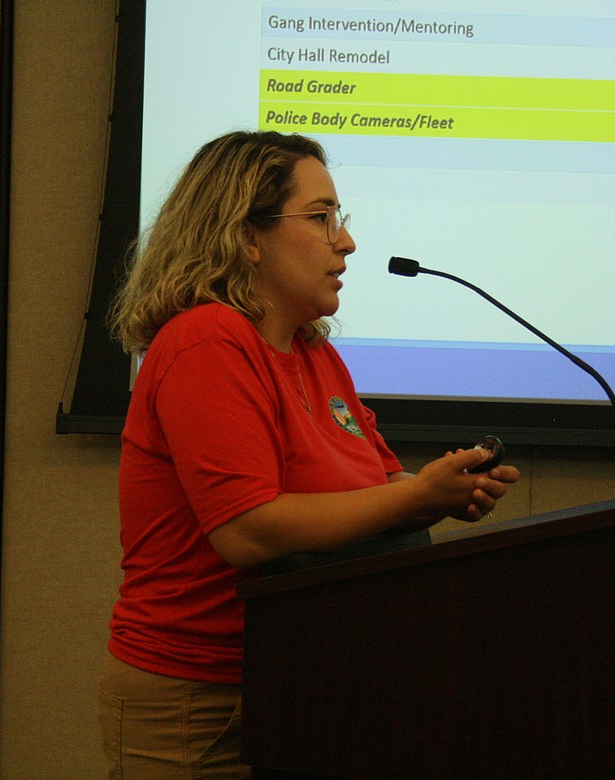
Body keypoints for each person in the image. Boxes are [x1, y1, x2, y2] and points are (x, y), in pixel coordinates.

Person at [97, 130, 521, 779]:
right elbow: (248, 531)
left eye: (339, 220)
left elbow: (379, 489)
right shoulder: (205, 343)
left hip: (316, 684)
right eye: (321, 218)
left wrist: (445, 491)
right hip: (202, 705)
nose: (345, 240)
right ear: (246, 235)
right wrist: (414, 496)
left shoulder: (314, 355)